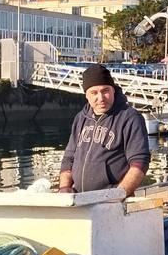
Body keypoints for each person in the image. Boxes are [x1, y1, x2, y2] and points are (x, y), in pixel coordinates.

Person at [59, 64, 149, 197]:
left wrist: (117, 196)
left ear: (113, 90)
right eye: (94, 93)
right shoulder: (80, 118)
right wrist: (64, 188)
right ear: (86, 95)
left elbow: (139, 162)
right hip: (79, 199)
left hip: (112, 201)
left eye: (105, 91)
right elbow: (68, 158)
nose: (100, 98)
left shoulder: (130, 118)